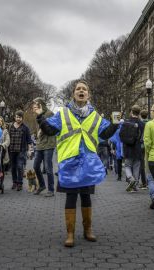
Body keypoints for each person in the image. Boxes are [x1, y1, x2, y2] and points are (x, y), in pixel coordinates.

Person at [34, 80, 118, 247]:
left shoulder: (95, 116)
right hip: (69, 161)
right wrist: (39, 116)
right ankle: (70, 233)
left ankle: (88, 230)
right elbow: (50, 130)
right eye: (78, 89)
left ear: (88, 94)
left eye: (84, 89)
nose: (81, 91)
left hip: (88, 162)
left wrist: (115, 124)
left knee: (86, 196)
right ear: (73, 94)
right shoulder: (63, 114)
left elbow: (105, 132)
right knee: (71, 197)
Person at [31, 97, 56, 197]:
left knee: (48, 168)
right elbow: (39, 129)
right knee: (36, 166)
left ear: (41, 104)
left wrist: (41, 117)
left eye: (36, 104)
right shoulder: (37, 114)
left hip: (49, 144)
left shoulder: (50, 114)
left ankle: (51, 189)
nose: (34, 106)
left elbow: (50, 129)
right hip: (40, 144)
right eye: (34, 105)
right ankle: (42, 186)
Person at [120, 105, 145, 192]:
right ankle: (135, 185)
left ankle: (131, 179)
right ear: (139, 113)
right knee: (136, 167)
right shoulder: (142, 124)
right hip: (138, 148)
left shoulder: (126, 122)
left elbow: (121, 135)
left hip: (127, 148)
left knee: (127, 165)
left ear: (131, 112)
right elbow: (143, 137)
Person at [8, 110, 33, 191]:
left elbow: (29, 140)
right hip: (11, 150)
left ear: (22, 118)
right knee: (13, 167)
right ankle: (14, 182)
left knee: (19, 166)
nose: (18, 119)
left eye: (20, 117)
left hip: (21, 150)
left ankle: (20, 183)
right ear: (15, 117)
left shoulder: (25, 128)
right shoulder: (10, 126)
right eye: (17, 117)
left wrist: (29, 150)